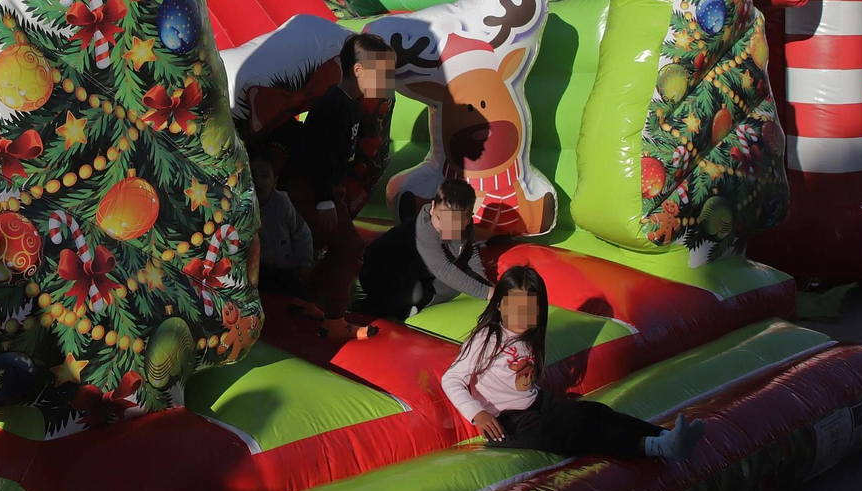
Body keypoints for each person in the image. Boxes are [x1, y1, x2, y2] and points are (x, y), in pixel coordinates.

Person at [442, 265, 706, 461]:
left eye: (530, 308)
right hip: (507, 421)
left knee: (595, 412)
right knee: (576, 432)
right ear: (500, 305)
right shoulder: (489, 337)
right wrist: (478, 413)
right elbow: (452, 378)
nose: (523, 316)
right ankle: (653, 447)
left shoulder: (528, 334)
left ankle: (664, 435)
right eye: (516, 307)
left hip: (536, 403)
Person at [285, 32, 396, 340]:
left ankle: (305, 299)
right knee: (350, 249)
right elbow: (318, 157)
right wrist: (324, 199)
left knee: (339, 248)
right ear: (358, 71)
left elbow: (336, 155)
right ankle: (335, 319)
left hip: (322, 187)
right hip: (310, 187)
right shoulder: (333, 105)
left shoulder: (351, 104)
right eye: (383, 72)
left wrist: (336, 188)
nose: (388, 80)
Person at [360, 178, 492, 318]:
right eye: (440, 219)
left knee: (458, 285)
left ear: (467, 220)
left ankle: (419, 300)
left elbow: (470, 253)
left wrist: (484, 283)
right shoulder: (424, 229)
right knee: (415, 293)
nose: (444, 228)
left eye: (453, 224)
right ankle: (377, 306)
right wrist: (486, 292)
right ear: (433, 206)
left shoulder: (466, 227)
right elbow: (442, 269)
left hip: (420, 273)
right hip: (380, 274)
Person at [250, 150, 313, 294]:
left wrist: (305, 263)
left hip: (285, 268)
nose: (257, 180)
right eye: (252, 175)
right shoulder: (240, 205)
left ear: (275, 182)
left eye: (264, 176)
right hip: (256, 268)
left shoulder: (282, 203)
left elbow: (301, 232)